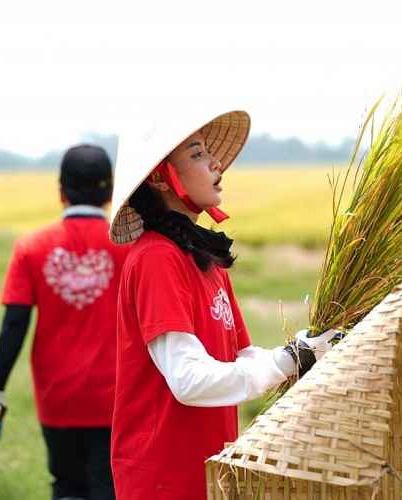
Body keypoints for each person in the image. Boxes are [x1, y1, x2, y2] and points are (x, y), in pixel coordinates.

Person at [107, 109, 341, 499]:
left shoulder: (205, 258)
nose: (216, 163)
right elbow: (189, 380)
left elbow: (244, 359)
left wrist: (310, 353)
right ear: (158, 177)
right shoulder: (156, 259)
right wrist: (288, 360)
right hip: (162, 481)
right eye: (197, 154)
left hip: (207, 473)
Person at [0, 144, 130, 500]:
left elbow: (13, 325)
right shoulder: (130, 247)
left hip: (57, 397)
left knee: (66, 486)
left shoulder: (30, 247)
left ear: (60, 191)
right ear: (110, 193)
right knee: (109, 487)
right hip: (117, 397)